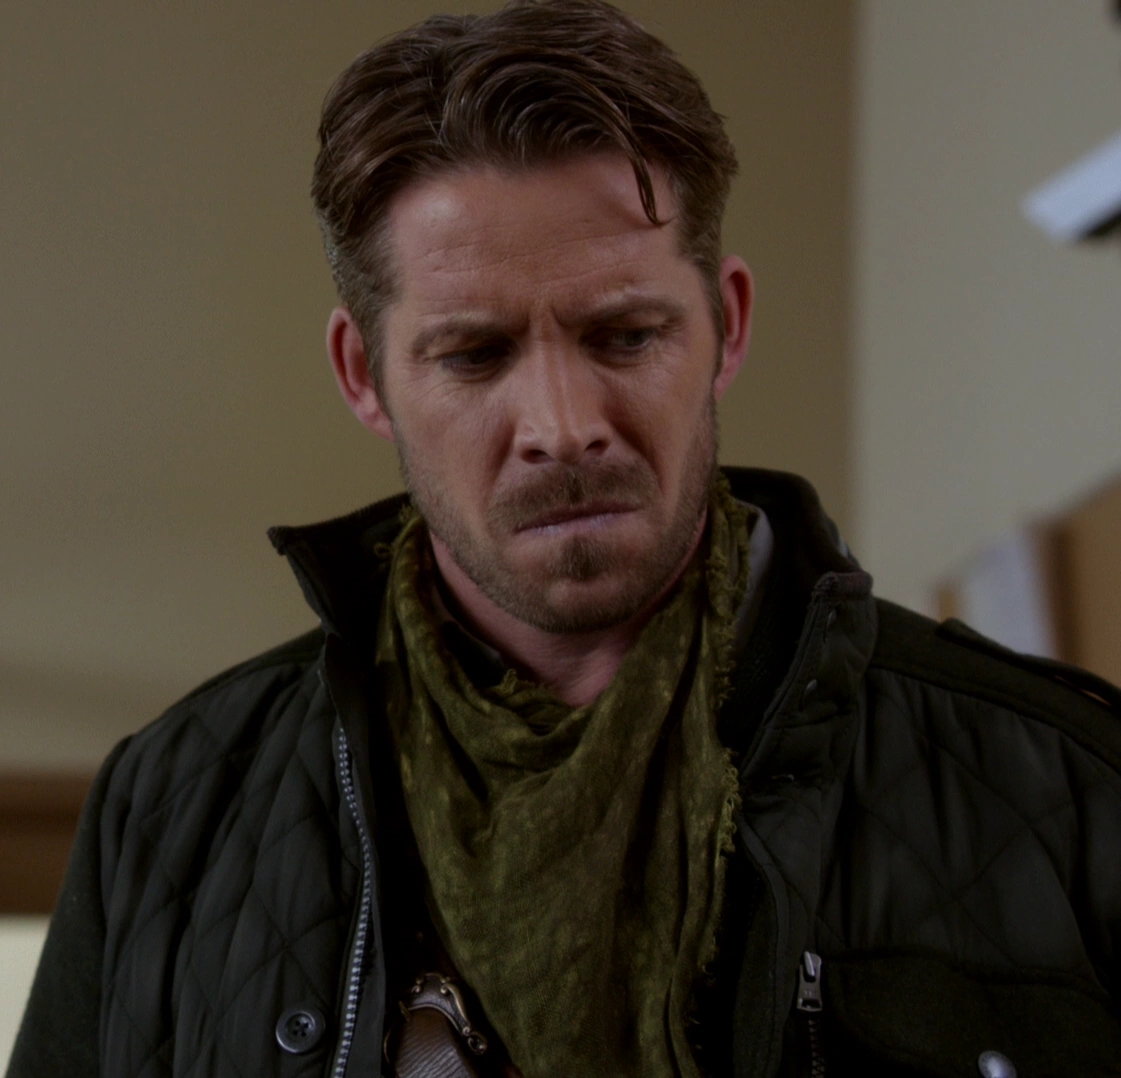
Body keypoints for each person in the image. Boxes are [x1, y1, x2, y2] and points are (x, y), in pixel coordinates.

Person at [9, 1, 1121, 1075]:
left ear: (725, 325)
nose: (561, 425)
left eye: (625, 334)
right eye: (474, 354)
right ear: (363, 374)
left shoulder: (1068, 787)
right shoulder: (167, 812)